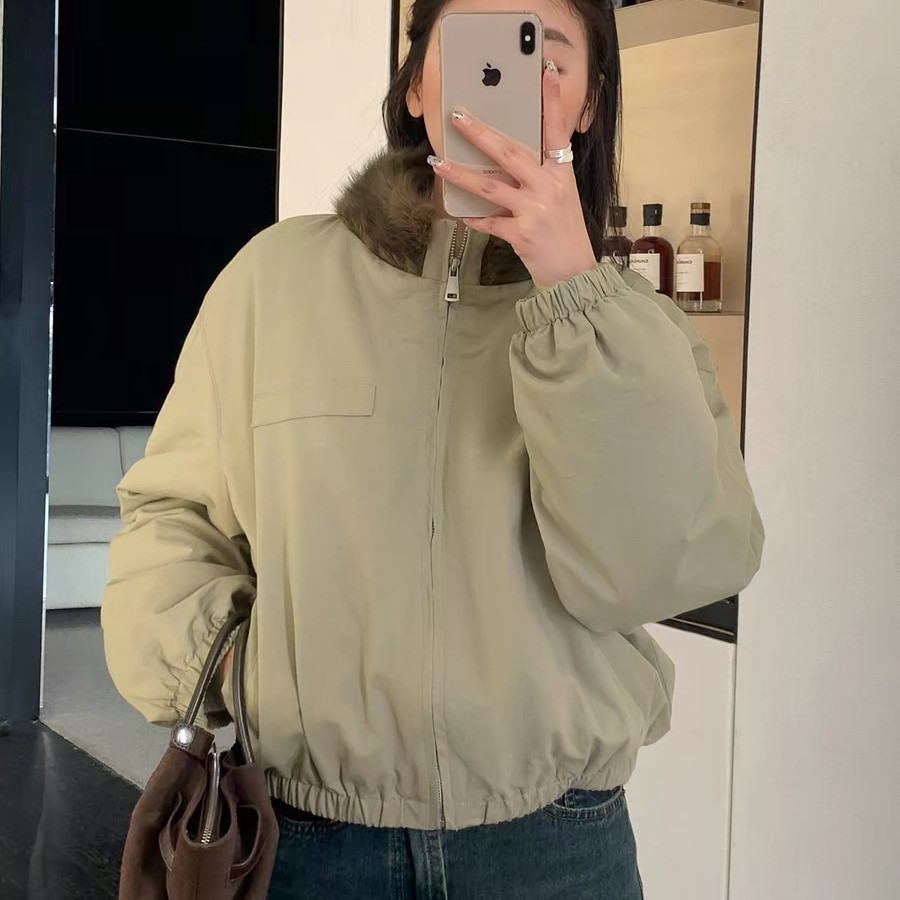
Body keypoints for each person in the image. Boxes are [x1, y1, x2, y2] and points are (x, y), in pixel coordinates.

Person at [101, 0, 765, 896]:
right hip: (303, 835)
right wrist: (225, 667)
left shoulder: (633, 328)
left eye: (547, 55)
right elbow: (173, 511)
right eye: (480, 45)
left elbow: (657, 570)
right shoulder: (273, 281)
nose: (513, 80)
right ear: (417, 85)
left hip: (555, 846)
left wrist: (575, 291)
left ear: (588, 104)